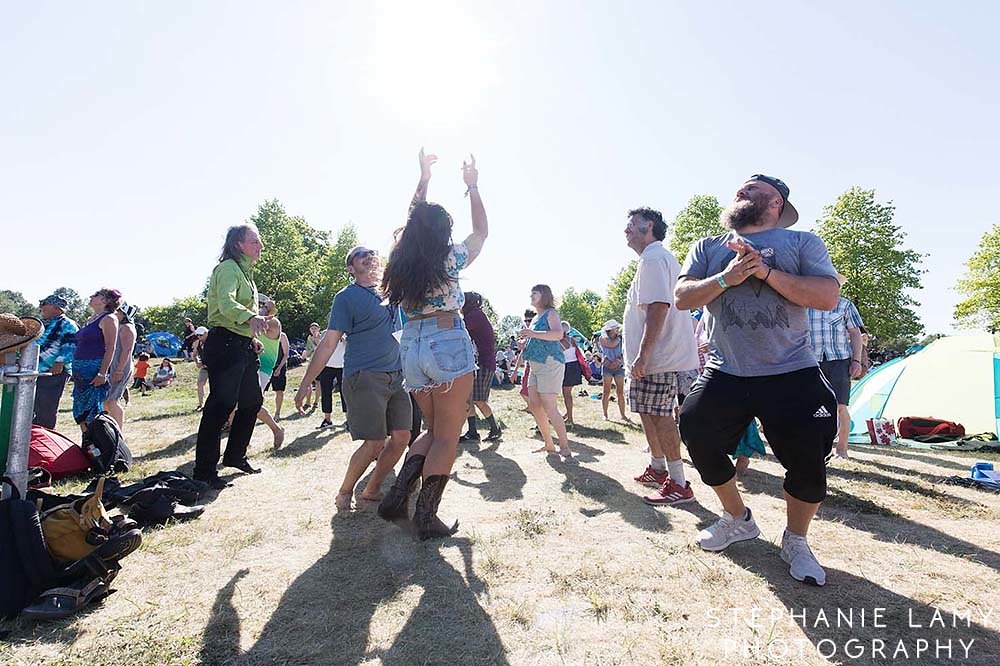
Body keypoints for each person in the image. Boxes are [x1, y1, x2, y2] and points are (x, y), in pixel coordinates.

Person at [676, 174, 840, 586]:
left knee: (808, 461)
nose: (741, 191)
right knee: (696, 431)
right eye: (740, 188)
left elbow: (826, 296)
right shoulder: (707, 247)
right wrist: (725, 278)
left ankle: (796, 540)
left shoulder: (803, 242)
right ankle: (737, 518)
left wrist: (764, 273)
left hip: (792, 370)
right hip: (725, 368)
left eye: (753, 188)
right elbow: (682, 298)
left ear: (777, 204)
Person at [377, 148, 487, 540]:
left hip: (411, 344)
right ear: (442, 231)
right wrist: (472, 187)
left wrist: (423, 178)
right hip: (447, 341)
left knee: (432, 428)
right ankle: (426, 515)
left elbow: (411, 220)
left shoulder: (400, 260)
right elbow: (481, 234)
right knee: (447, 435)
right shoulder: (450, 258)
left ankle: (397, 498)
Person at [295, 245, 412, 511]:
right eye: (361, 255)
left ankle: (371, 489)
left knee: (403, 437)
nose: (369, 256)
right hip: (365, 375)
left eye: (372, 252)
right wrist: (305, 384)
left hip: (398, 376)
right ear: (350, 268)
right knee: (374, 443)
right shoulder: (346, 297)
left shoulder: (392, 293)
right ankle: (345, 491)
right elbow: (328, 344)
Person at [621, 208, 700, 507]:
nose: (626, 231)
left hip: (659, 358)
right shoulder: (652, 259)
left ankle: (679, 483)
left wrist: (643, 355)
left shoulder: (654, 258)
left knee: (662, 416)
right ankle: (658, 468)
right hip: (653, 358)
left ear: (648, 226)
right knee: (648, 412)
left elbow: (658, 307)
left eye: (630, 226)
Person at [193, 224, 271, 489]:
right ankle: (204, 471)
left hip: (242, 344)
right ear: (238, 244)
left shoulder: (247, 273)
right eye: (254, 241)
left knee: (251, 401)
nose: (260, 246)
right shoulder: (227, 268)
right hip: (224, 343)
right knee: (220, 406)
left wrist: (253, 338)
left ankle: (235, 456)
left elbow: (242, 318)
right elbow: (226, 305)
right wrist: (251, 317)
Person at [808, 275, 866, 459]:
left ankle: (841, 449)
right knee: (812, 406)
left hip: (840, 360)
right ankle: (815, 446)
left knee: (840, 406)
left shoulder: (845, 305)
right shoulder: (806, 305)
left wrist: (857, 360)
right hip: (812, 361)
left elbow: (856, 334)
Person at [521, 285, 570, 458]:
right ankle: (549, 445)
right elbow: (537, 336)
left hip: (550, 363)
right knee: (534, 405)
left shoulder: (551, 313)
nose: (531, 295)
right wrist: (526, 342)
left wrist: (533, 334)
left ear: (544, 295)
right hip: (535, 366)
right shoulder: (536, 317)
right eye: (531, 292)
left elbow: (557, 334)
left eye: (535, 292)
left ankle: (564, 447)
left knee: (549, 407)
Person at [72, 289, 121, 429]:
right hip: (80, 371)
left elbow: (110, 348)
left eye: (95, 295)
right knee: (81, 411)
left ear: (105, 301)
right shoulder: (91, 319)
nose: (90, 297)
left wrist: (102, 373)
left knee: (91, 412)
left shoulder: (109, 319)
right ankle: (86, 443)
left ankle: (96, 445)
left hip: (94, 370)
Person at [32, 293, 79, 429]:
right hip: (37, 371)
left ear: (57, 308)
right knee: (34, 407)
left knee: (47, 407)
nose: (41, 308)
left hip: (54, 371)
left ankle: (45, 436)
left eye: (45, 304)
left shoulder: (67, 324)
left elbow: (71, 345)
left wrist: (60, 362)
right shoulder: (42, 324)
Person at [460, 292, 502, 443]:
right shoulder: (476, 314)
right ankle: (472, 432)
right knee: (469, 399)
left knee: (479, 399)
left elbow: (458, 327)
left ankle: (495, 428)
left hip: (484, 363)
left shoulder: (475, 315)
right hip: (479, 362)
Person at [254, 295, 286, 448]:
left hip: (263, 368)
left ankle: (277, 429)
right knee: (238, 405)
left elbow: (260, 323)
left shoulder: (273, 322)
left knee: (252, 404)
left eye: (261, 305)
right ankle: (240, 444)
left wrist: (266, 308)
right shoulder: (251, 320)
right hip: (247, 366)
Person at [104, 302, 139, 429]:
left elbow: (126, 351)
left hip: (121, 366)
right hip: (114, 366)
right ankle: (109, 428)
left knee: (112, 401)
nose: (115, 313)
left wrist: (118, 370)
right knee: (106, 402)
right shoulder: (119, 327)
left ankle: (118, 431)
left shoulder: (127, 328)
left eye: (118, 311)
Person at [598, 320, 628, 421]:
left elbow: (625, 352)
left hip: (618, 366)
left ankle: (623, 415)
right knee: (606, 391)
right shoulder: (603, 338)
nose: (617, 330)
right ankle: (605, 414)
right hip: (607, 366)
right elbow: (612, 345)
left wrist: (618, 360)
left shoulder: (621, 338)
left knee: (620, 392)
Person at [316, 333, 347, 428]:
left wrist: (342, 338)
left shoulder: (346, 333)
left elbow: (348, 346)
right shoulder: (325, 333)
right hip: (327, 366)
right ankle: (327, 419)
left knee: (345, 393)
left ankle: (348, 420)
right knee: (325, 393)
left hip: (343, 366)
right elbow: (320, 348)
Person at [559, 321, 583, 426]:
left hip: (567, 367)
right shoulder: (572, 339)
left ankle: (570, 419)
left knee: (567, 394)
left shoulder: (562, 341)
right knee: (567, 394)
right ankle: (568, 414)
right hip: (574, 366)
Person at [301, 322, 323, 409]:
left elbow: (318, 349)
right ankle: (308, 402)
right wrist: (304, 355)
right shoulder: (310, 338)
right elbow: (308, 350)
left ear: (319, 329)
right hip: (311, 362)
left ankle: (316, 402)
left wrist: (311, 342)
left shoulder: (321, 337)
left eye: (315, 328)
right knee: (308, 381)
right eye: (312, 329)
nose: (313, 330)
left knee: (318, 382)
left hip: (320, 362)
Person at [192, 326, 210, 410]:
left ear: (206, 334)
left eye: (201, 335)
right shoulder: (197, 343)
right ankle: (201, 404)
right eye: (198, 335)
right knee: (200, 384)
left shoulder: (213, 342)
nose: (199, 337)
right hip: (204, 367)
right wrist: (197, 362)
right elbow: (194, 355)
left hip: (216, 368)